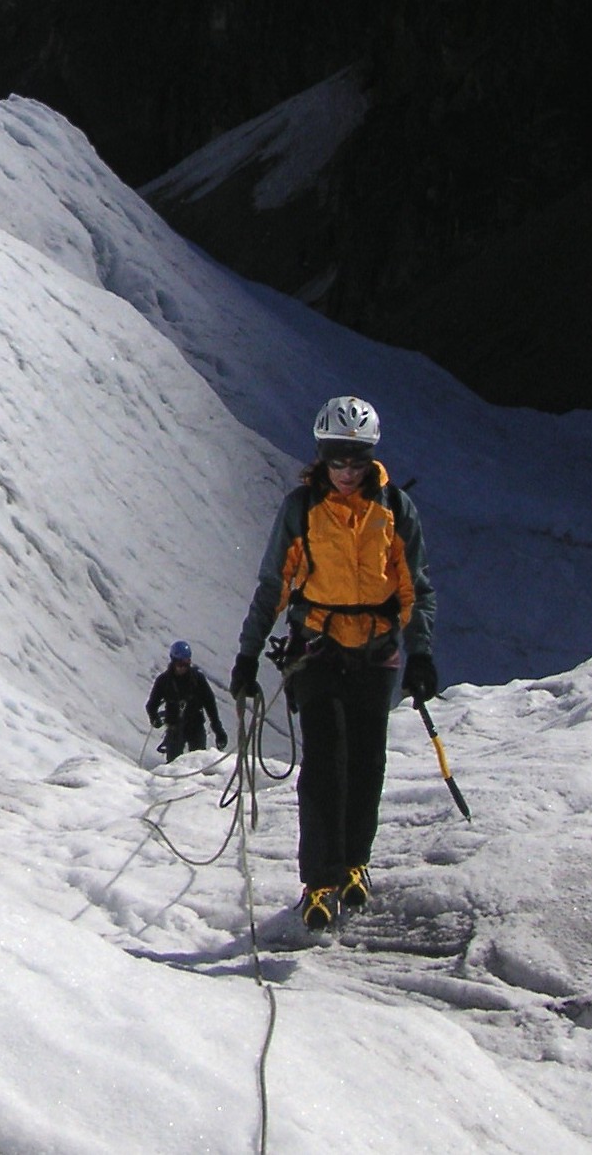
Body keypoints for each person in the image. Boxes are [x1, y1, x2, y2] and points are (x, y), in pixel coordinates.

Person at [227, 396, 438, 931]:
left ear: (370, 457)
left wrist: (422, 654)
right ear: (321, 456)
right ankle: (319, 880)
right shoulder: (302, 508)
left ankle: (354, 865)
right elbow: (274, 584)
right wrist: (248, 652)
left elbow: (415, 587)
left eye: (356, 459)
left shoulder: (394, 509)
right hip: (318, 648)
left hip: (377, 652)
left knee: (367, 763)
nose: (346, 471)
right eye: (336, 459)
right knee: (325, 762)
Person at [145, 640, 228, 761]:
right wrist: (154, 719)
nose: (183, 667)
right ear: (173, 662)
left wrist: (218, 730)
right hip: (174, 727)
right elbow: (151, 705)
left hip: (196, 725)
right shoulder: (164, 681)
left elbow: (210, 705)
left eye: (186, 663)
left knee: (199, 761)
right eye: (180, 664)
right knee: (173, 763)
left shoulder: (198, 679)